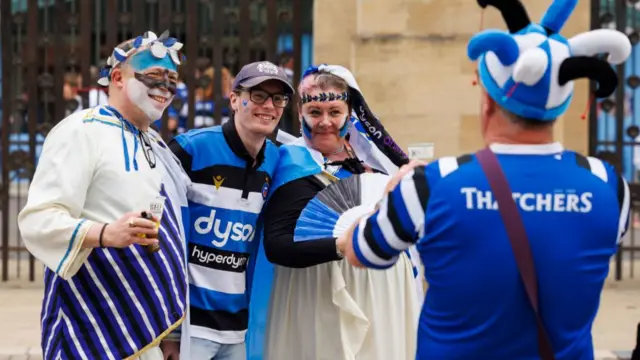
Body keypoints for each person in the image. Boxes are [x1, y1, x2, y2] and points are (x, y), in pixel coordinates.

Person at [339, 0, 632, 358]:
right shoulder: (609, 187)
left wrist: (390, 196)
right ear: (562, 104)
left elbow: (359, 251)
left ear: (488, 102)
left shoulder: (431, 185)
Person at [17, 30, 191, 360]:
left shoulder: (156, 143)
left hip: (147, 331)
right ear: (117, 78)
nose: (166, 87)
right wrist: (105, 233)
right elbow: (38, 219)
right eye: (154, 76)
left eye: (172, 79)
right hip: (91, 319)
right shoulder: (81, 130)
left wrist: (172, 332)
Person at [255, 64, 423, 360]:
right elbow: (278, 245)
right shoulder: (294, 165)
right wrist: (344, 244)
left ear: (349, 114)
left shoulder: (375, 163)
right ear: (300, 113)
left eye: (335, 112)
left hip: (385, 297)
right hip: (321, 298)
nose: (325, 122)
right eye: (315, 112)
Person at [165, 60, 294, 360]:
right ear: (234, 99)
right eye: (258, 95)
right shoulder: (191, 148)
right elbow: (161, 236)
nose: (269, 106)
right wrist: (170, 332)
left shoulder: (277, 160)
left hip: (239, 330)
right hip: (190, 328)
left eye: (278, 99)